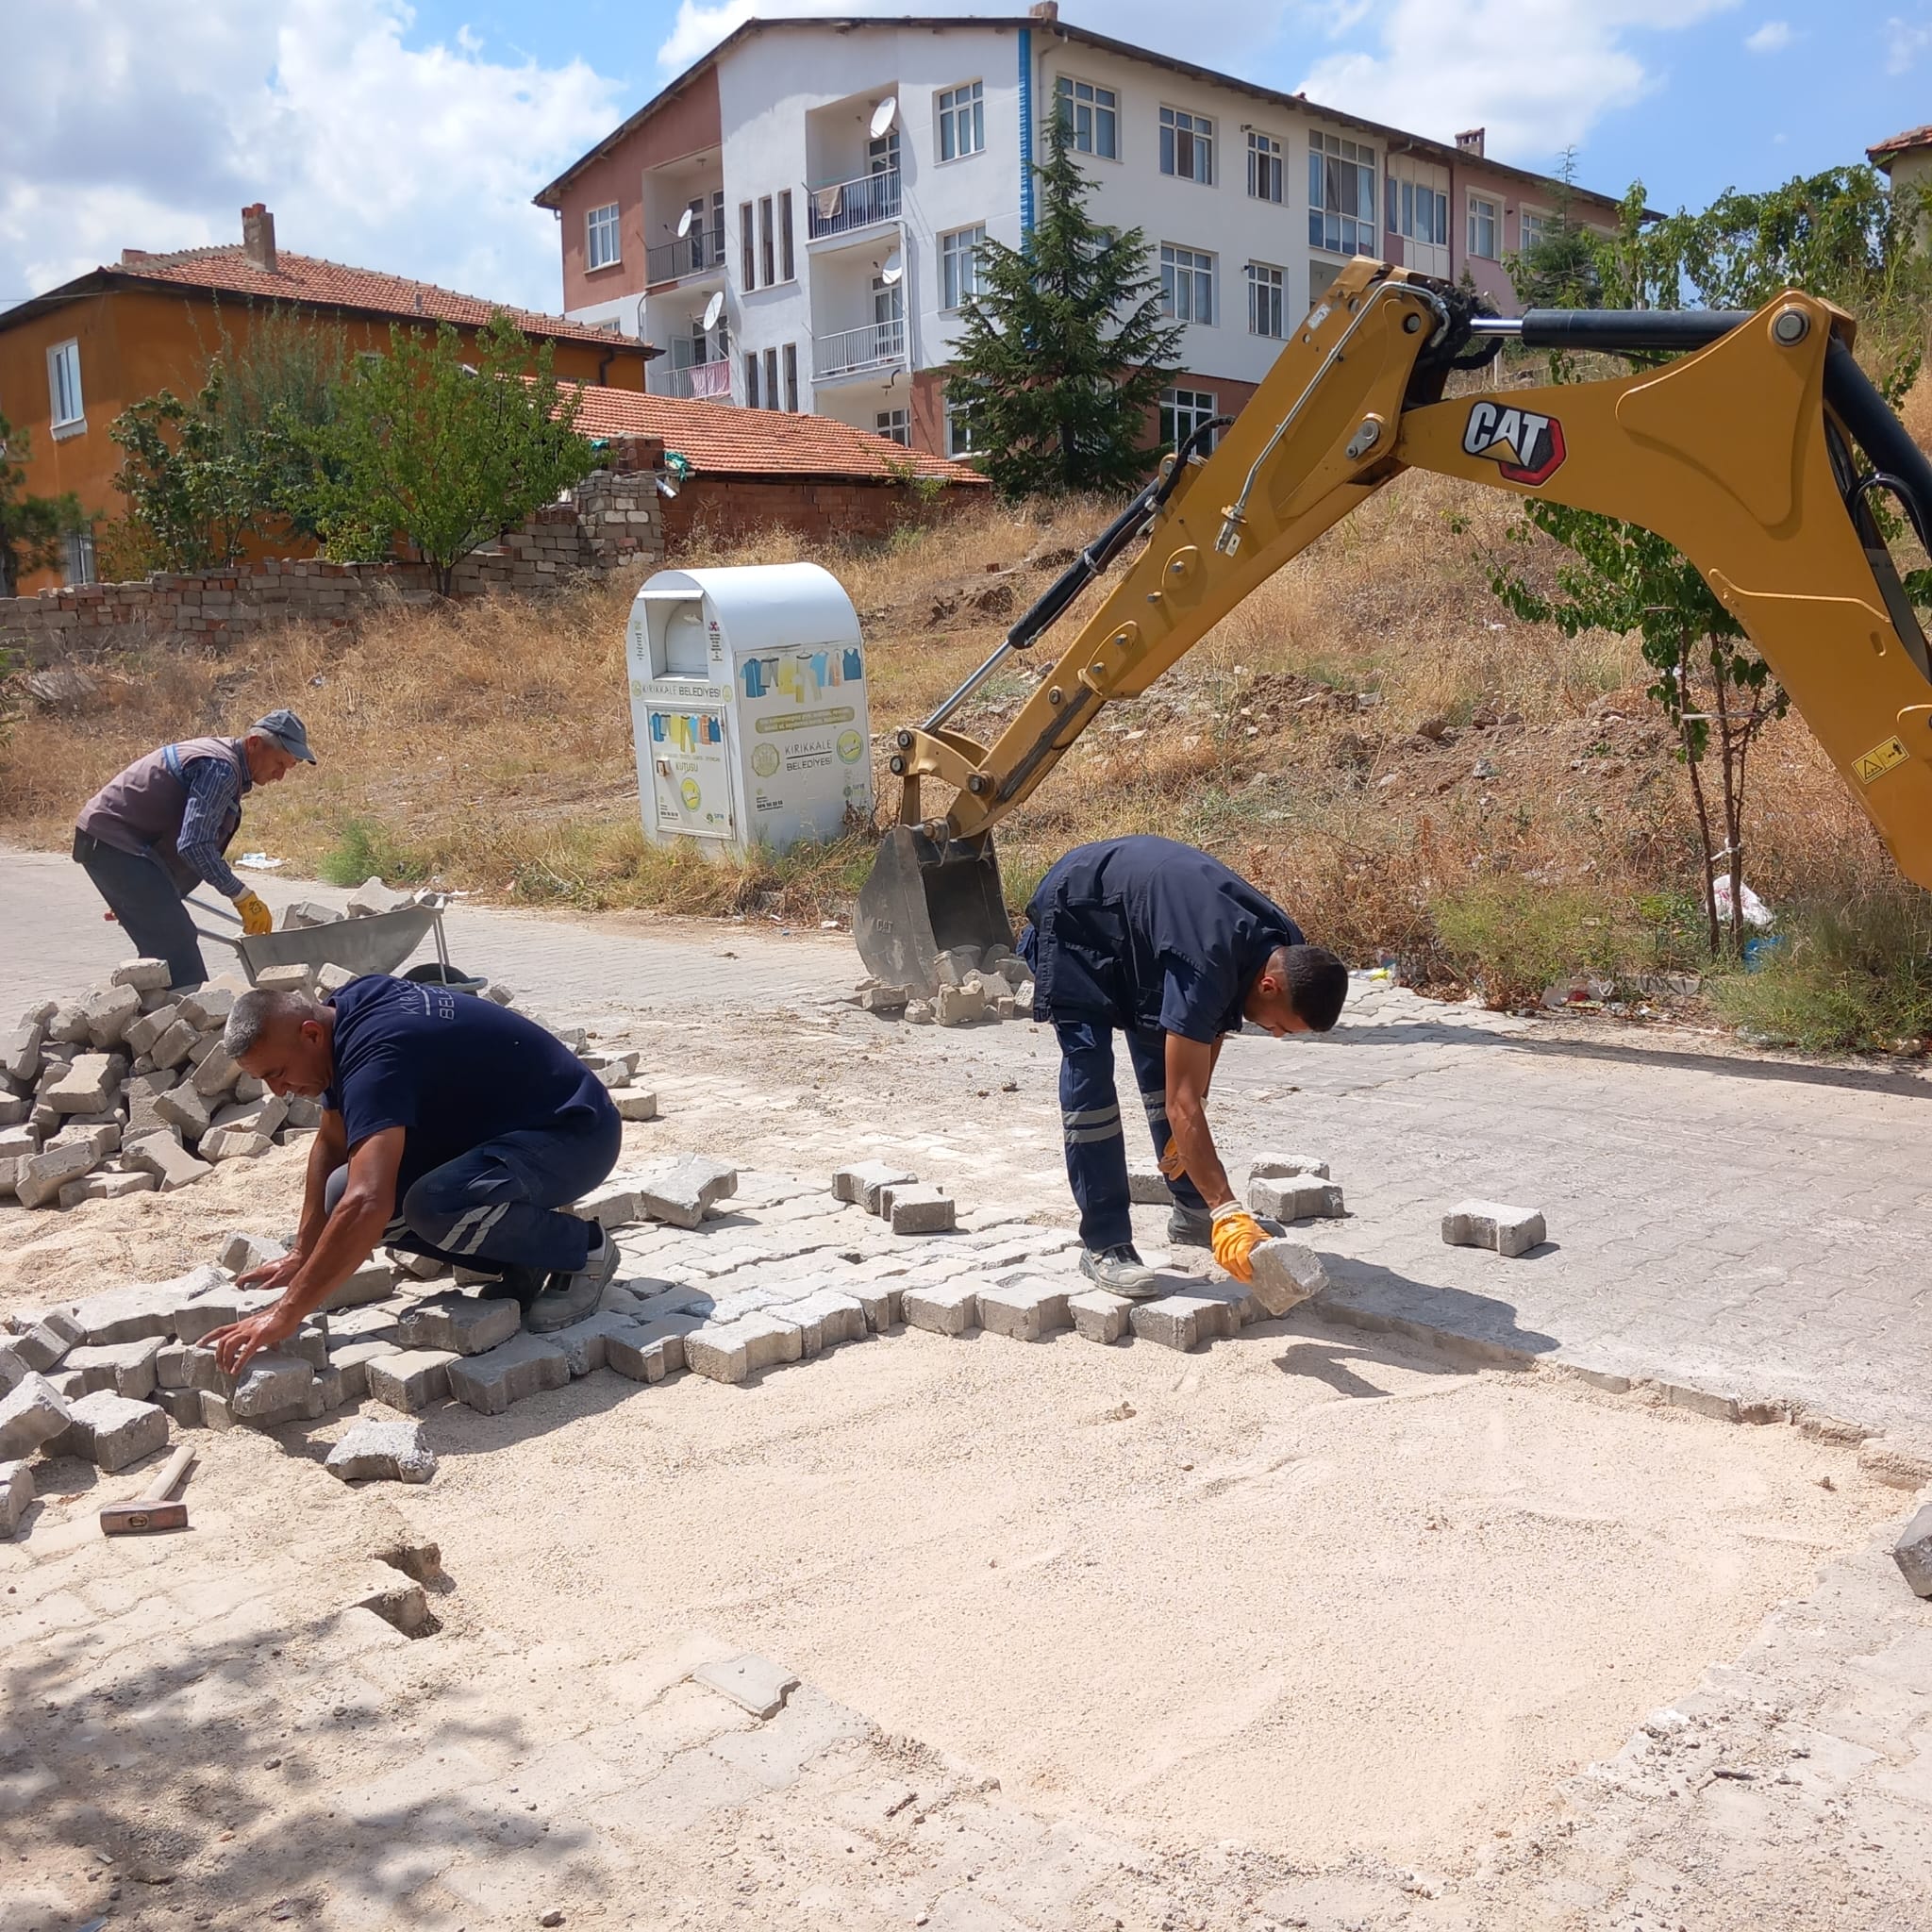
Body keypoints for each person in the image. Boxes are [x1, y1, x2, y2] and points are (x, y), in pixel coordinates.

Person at [202, 976, 624, 1375]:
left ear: (310, 1034)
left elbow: (369, 1201)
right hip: (505, 1131)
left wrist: (286, 1313)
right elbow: (332, 1142)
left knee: (432, 1205)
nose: (278, 1091)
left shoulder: (378, 1053)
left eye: (276, 1073)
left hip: (576, 1134)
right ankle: (527, 1256)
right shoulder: (342, 1018)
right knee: (340, 1192)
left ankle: (583, 1250)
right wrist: (302, 1252)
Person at [1018, 836, 1349, 1297]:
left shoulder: (1283, 944)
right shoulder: (1208, 962)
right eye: (1282, 1027)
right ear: (1270, 987)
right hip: (1077, 916)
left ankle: (1193, 1211)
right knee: (1091, 1073)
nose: (1275, 1035)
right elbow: (1183, 1099)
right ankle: (1106, 1242)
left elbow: (1209, 1032)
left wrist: (1189, 1124)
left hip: (1142, 928)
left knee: (1168, 1072)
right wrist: (1228, 1209)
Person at [72, 709, 316, 990]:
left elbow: (177, 836)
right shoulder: (220, 768)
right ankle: (193, 1022)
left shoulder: (225, 763)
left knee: (166, 939)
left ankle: (154, 1018)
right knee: (176, 943)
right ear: (254, 744)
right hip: (113, 843)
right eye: (279, 764)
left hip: (118, 846)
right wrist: (242, 895)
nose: (280, 776)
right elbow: (194, 844)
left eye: (288, 768)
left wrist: (142, 895)